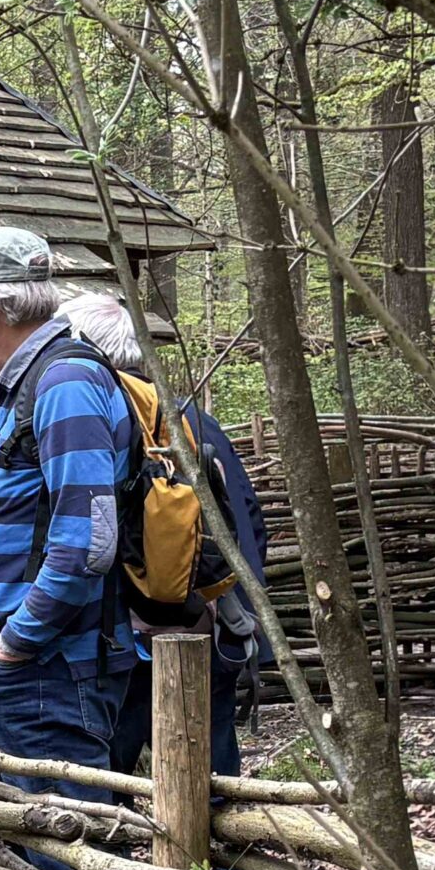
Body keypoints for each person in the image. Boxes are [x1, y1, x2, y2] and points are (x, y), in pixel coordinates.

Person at [0, 228, 133, 820]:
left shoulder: (65, 384)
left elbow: (88, 543)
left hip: (48, 664)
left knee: (61, 841)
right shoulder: (34, 381)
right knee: (30, 834)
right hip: (28, 662)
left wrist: (16, 645)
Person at [56, 291, 265, 780]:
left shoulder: (95, 421)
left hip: (123, 634)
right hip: (206, 624)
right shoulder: (194, 420)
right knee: (208, 772)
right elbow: (248, 521)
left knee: (109, 775)